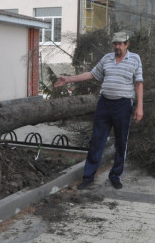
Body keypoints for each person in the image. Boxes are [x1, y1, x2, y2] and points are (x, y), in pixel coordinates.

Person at [54, 31, 144, 190]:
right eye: (115, 43)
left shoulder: (135, 59)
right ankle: (88, 177)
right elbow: (92, 74)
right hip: (104, 104)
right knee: (96, 141)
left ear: (127, 44)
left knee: (121, 142)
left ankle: (115, 176)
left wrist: (139, 107)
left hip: (123, 105)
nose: (117, 46)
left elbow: (138, 83)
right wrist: (69, 79)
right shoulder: (107, 59)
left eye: (120, 43)